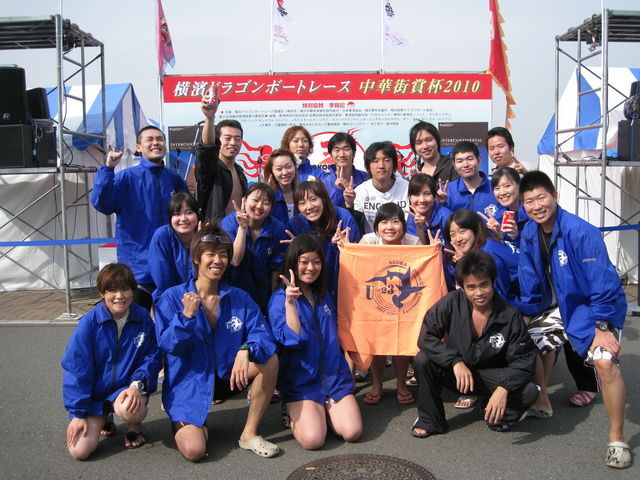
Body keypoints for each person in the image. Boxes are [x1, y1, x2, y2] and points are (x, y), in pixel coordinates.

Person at [518, 171, 631, 468]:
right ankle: (542, 402)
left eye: (542, 197)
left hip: (596, 309)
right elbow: (530, 281)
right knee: (525, 341)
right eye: (529, 201)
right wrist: (526, 316)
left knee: (605, 363)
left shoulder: (581, 231)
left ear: (555, 196)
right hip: (564, 309)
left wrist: (603, 327)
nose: (537, 206)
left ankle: (617, 439)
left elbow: (603, 283)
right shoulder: (529, 233)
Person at [155, 222, 280, 462]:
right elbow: (169, 345)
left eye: (223, 255)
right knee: (195, 451)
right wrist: (186, 317)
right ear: (196, 258)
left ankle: (249, 434)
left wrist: (246, 349)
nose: (217, 261)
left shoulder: (239, 297)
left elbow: (263, 335)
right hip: (189, 384)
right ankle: (191, 422)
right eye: (210, 254)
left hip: (227, 376)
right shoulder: (172, 297)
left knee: (269, 359)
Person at [488, 169, 599, 402]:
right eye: (497, 187)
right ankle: (541, 394)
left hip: (566, 286)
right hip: (539, 288)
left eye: (508, 185)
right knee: (535, 336)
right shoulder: (500, 215)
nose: (502, 191)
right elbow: (525, 263)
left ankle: (587, 385)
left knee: (576, 335)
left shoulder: (552, 220)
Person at [410, 250, 538, 437]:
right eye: (471, 287)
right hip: (458, 374)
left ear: (493, 282)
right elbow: (426, 337)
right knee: (423, 360)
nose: (479, 293)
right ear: (462, 287)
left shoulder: (510, 315)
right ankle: (431, 421)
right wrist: (454, 361)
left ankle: (493, 411)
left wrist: (503, 388)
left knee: (529, 391)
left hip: (491, 377)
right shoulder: (451, 302)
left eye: (484, 285)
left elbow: (524, 359)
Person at [268, 234, 362, 449]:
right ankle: (295, 409)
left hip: (334, 379)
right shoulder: (279, 299)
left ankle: (325, 411)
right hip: (302, 382)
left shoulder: (324, 294)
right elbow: (290, 340)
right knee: (313, 440)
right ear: (293, 263)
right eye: (304, 262)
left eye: (316, 262)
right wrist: (290, 304)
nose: (311, 268)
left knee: (352, 432)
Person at [62, 263, 162, 459]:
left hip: (125, 390)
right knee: (79, 451)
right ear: (102, 293)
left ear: (133, 291)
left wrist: (137, 384)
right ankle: (104, 416)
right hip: (95, 396)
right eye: (112, 290)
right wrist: (78, 413)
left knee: (130, 408)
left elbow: (152, 356)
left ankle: (134, 427)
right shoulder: (89, 323)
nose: (119, 296)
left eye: (125, 289)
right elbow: (76, 368)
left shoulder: (142, 317)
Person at [91, 126, 188, 311]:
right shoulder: (126, 177)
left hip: (170, 265)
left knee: (170, 320)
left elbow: (187, 214)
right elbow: (102, 204)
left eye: (159, 139)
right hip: (137, 267)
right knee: (135, 321)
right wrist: (108, 169)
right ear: (138, 147)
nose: (156, 143)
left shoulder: (173, 178)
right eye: (149, 139)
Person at [357, 203, 422, 407]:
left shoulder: (413, 242)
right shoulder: (368, 241)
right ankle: (377, 385)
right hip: (375, 300)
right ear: (376, 225)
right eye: (384, 222)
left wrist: (434, 250)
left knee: (400, 342)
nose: (390, 227)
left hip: (404, 302)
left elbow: (426, 264)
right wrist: (343, 248)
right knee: (377, 343)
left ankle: (401, 385)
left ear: (403, 225)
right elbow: (355, 264)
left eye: (395, 221)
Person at [221, 182, 288, 314]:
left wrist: (273, 302)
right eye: (255, 200)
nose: (259, 206)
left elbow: (276, 270)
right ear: (244, 200)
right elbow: (234, 260)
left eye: (266, 203)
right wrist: (242, 228)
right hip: (233, 293)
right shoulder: (229, 223)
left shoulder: (277, 229)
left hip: (263, 295)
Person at [288, 180, 360, 301]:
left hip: (343, 283)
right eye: (302, 203)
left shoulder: (343, 217)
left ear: (324, 199)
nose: (309, 207)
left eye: (313, 199)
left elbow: (357, 256)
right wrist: (298, 249)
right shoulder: (295, 225)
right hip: (313, 288)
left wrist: (346, 248)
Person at [195, 89, 249, 221]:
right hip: (215, 231)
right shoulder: (210, 168)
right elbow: (207, 149)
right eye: (227, 138)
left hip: (239, 230)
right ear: (218, 140)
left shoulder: (240, 171)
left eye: (237, 139)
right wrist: (209, 118)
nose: (233, 143)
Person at [349, 141, 409, 233]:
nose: (381, 166)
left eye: (387, 160)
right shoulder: (360, 191)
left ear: (394, 164)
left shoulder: (407, 188)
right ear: (368, 166)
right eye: (375, 161)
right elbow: (354, 225)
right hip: (372, 241)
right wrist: (349, 204)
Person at [149, 192, 199, 302]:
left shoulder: (205, 236)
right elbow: (163, 281)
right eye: (177, 214)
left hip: (200, 299)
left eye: (189, 212)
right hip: (169, 299)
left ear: (197, 215)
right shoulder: (162, 236)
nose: (183, 218)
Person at [439, 141, 498, 219]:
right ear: (454, 165)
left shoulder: (495, 188)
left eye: (470, 159)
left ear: (479, 160)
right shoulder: (447, 191)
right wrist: (440, 204)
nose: (465, 165)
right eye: (460, 161)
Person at [320, 132, 369, 208]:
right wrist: (338, 189)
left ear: (354, 153)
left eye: (346, 149)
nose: (342, 154)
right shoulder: (323, 184)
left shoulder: (366, 178)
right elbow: (326, 211)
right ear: (331, 155)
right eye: (337, 150)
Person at [263, 148, 298, 226]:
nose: (285, 172)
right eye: (279, 169)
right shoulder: (268, 196)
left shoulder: (303, 193)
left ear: (295, 167)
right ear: (272, 172)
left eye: (288, 167)